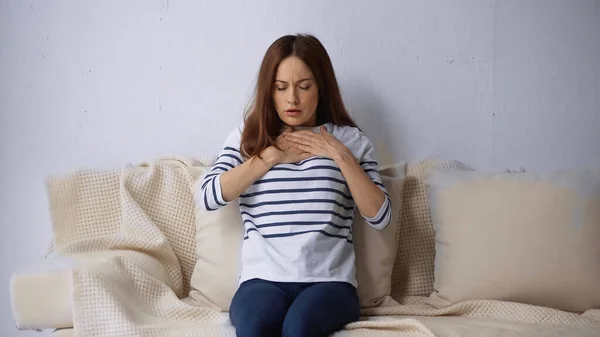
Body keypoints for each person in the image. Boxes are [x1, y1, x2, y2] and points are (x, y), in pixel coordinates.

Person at [197, 33, 391, 337]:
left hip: (329, 282)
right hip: (262, 280)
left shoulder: (350, 141)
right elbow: (207, 197)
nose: (292, 99)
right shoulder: (247, 138)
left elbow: (380, 217)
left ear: (321, 88)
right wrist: (269, 157)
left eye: (304, 87)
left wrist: (339, 154)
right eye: (281, 87)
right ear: (268, 91)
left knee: (298, 328)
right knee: (255, 327)